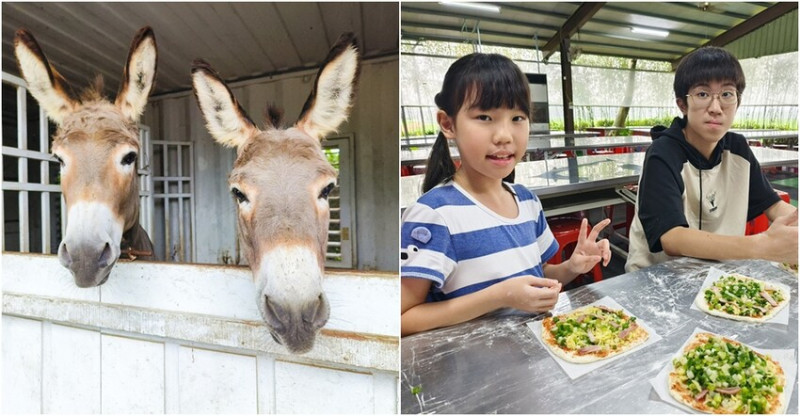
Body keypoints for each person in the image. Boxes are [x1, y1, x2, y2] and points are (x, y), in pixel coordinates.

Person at [400, 53, 611, 336]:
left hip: (537, 351)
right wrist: (499, 296)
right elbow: (400, 319)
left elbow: (541, 275)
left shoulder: (526, 200)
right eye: (484, 117)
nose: (504, 135)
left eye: (517, 118)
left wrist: (573, 266)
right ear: (448, 124)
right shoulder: (435, 215)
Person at [625, 46, 798, 272]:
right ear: (682, 104)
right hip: (658, 279)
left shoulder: (738, 149)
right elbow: (672, 238)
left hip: (718, 277)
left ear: (738, 101)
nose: (716, 108)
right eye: (703, 94)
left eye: (727, 94)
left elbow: (773, 205)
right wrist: (761, 246)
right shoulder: (662, 152)